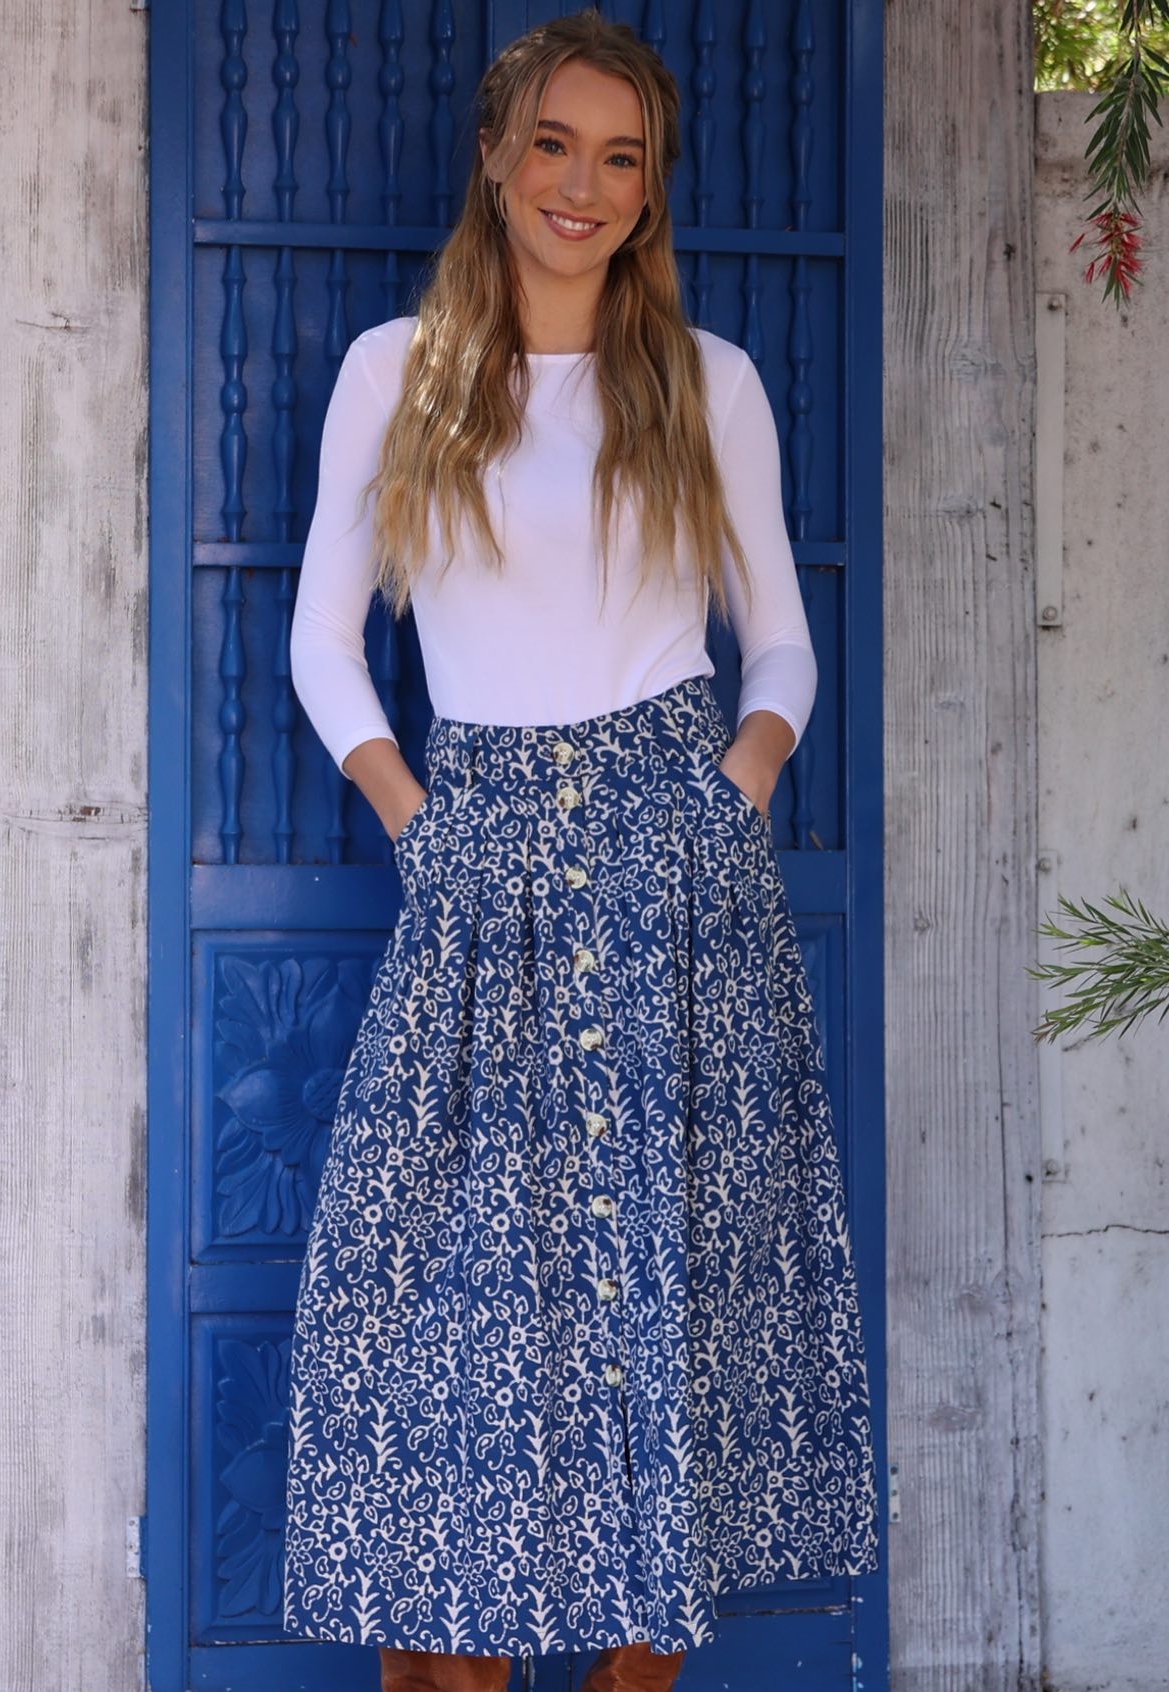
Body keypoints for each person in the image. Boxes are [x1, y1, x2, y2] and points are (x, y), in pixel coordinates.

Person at [281, 10, 879, 1691]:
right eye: (554, 143)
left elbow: (782, 645)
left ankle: (633, 1660)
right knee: (440, 1310)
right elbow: (324, 642)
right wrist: (419, 820)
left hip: (677, 865)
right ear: (495, 155)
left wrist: (734, 787)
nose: (584, 185)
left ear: (651, 186)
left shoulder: (708, 384)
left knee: (662, 1301)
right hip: (479, 864)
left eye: (623, 157)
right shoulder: (398, 372)